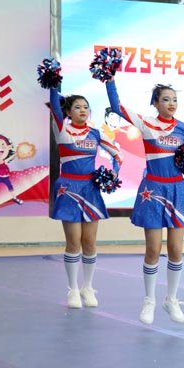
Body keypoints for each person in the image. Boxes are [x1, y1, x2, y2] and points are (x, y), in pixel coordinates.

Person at [106, 80, 184, 324]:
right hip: (153, 189)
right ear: (155, 103)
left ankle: (171, 299)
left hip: (177, 190)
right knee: (153, 249)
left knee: (176, 249)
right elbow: (116, 107)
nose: (171, 103)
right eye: (166, 99)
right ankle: (149, 300)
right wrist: (110, 79)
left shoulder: (183, 128)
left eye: (174, 99)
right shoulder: (146, 123)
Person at [49, 89, 122, 309]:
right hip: (69, 189)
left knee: (89, 241)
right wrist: (53, 84)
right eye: (77, 107)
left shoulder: (96, 133)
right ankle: (72, 289)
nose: (83, 110)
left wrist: (114, 173)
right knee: (74, 241)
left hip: (90, 189)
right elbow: (54, 102)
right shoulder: (62, 129)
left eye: (85, 107)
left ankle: (87, 287)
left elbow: (117, 155)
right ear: (68, 113)